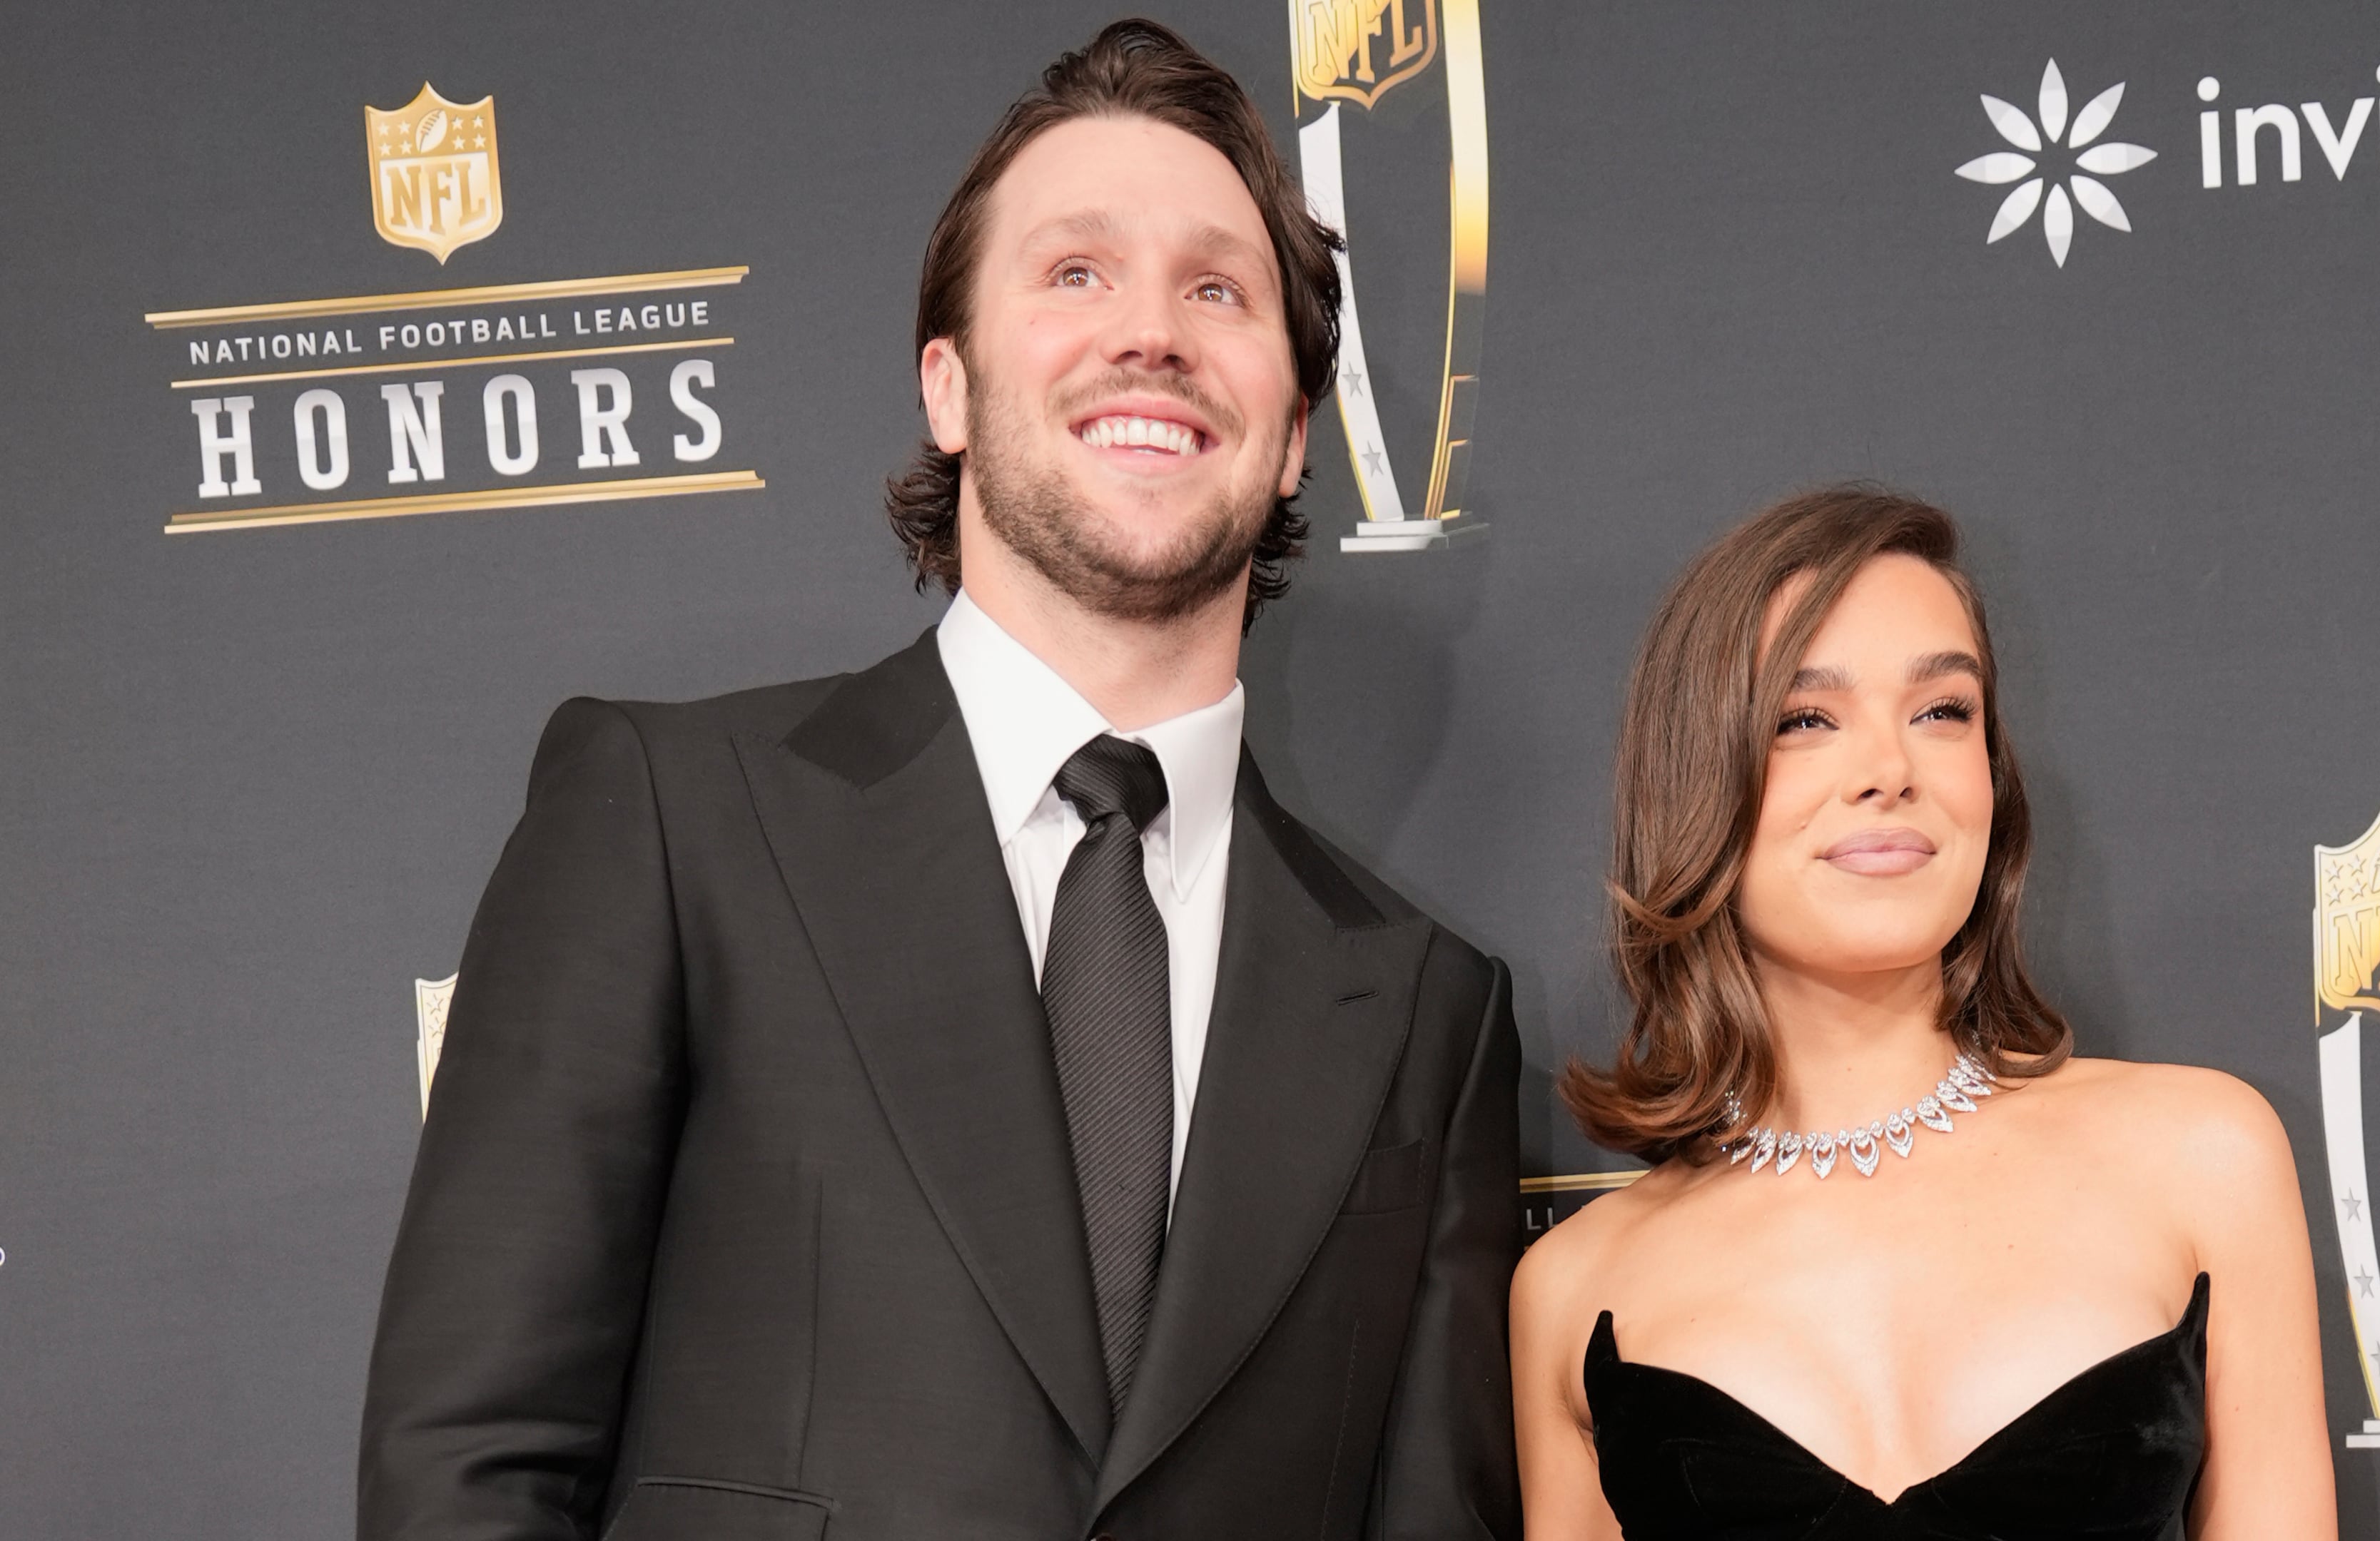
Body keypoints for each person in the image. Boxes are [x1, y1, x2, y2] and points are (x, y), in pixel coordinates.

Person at [358, 21, 1521, 1540]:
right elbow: (469, 1469)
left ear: (1297, 430)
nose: (1151, 333)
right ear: (951, 388)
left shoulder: (1429, 1009)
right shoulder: (671, 818)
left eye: (1218, 290)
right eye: (1076, 273)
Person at [1509, 489, 2333, 1539]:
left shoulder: (2203, 1157)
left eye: (1943, 711)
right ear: (1695, 781)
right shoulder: (1577, 1286)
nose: (1890, 772)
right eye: (1805, 720)